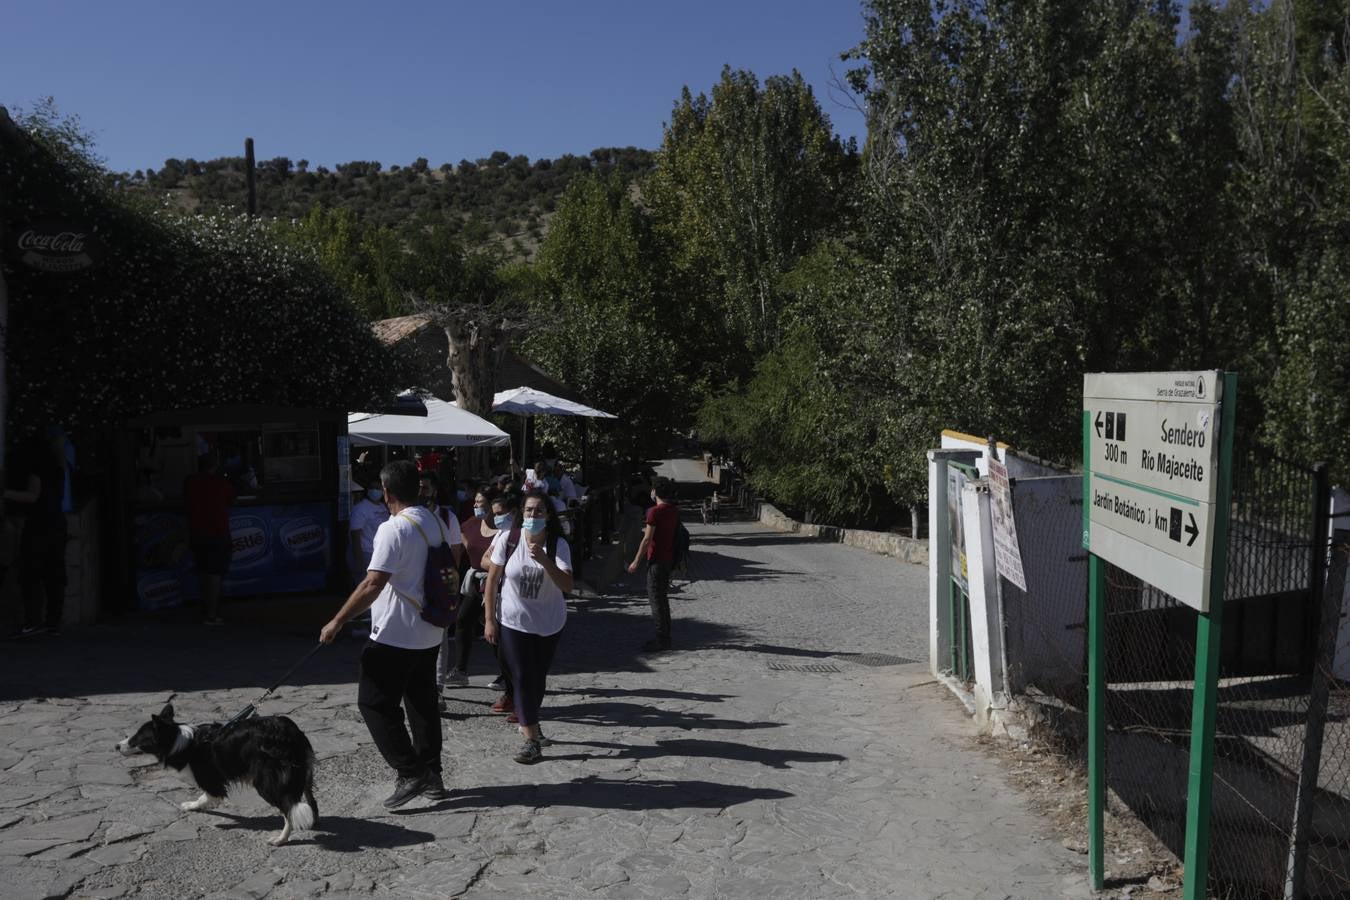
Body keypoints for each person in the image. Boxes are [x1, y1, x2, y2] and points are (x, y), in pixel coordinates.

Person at [320, 460, 449, 810]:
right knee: (422, 705)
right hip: (429, 629)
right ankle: (433, 774)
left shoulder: (393, 529)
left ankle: (411, 771)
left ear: (387, 491)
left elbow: (372, 583)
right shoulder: (435, 520)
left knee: (374, 703)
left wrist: (338, 620)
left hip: (395, 632)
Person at [484, 490, 572, 764]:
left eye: (539, 511)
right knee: (521, 676)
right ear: (522, 513)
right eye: (529, 510)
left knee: (537, 678)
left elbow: (567, 585)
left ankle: (532, 720)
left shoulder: (558, 545)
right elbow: (492, 580)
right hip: (513, 621)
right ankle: (531, 740)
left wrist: (544, 560)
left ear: (548, 515)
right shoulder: (509, 539)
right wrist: (489, 619)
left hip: (548, 623)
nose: (533, 516)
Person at [4, 429, 71, 636]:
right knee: (54, 575)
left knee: (31, 574)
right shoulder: (59, 468)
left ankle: (33, 620)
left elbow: (33, 496)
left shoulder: (36, 472)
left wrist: (5, 493)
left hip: (39, 525)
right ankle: (53, 620)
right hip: (57, 523)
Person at [440, 486, 499, 690]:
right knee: (463, 621)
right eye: (474, 502)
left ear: (491, 505)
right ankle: (460, 670)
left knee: (495, 627)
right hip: (474, 582)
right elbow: (460, 546)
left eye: (479, 502)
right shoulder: (470, 525)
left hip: (497, 583)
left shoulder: (503, 527)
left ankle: (505, 673)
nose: (475, 505)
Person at [183, 454, 236, 626]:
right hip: (217, 533)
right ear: (215, 466)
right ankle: (211, 615)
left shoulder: (190, 482)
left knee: (203, 572)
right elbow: (230, 499)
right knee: (214, 574)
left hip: (197, 533)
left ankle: (206, 610)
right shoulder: (221, 483)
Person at [628, 476, 680, 652]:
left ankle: (661, 640)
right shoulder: (673, 510)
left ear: (655, 492)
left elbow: (647, 539)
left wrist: (636, 561)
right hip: (668, 559)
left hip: (656, 560)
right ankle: (666, 637)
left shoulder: (654, 512)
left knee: (656, 600)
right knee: (663, 599)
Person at [349, 482, 389, 587]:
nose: (376, 490)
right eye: (373, 487)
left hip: (379, 553)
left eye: (378, 488)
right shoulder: (360, 508)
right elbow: (355, 534)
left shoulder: (383, 507)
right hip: (366, 553)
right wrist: (359, 559)